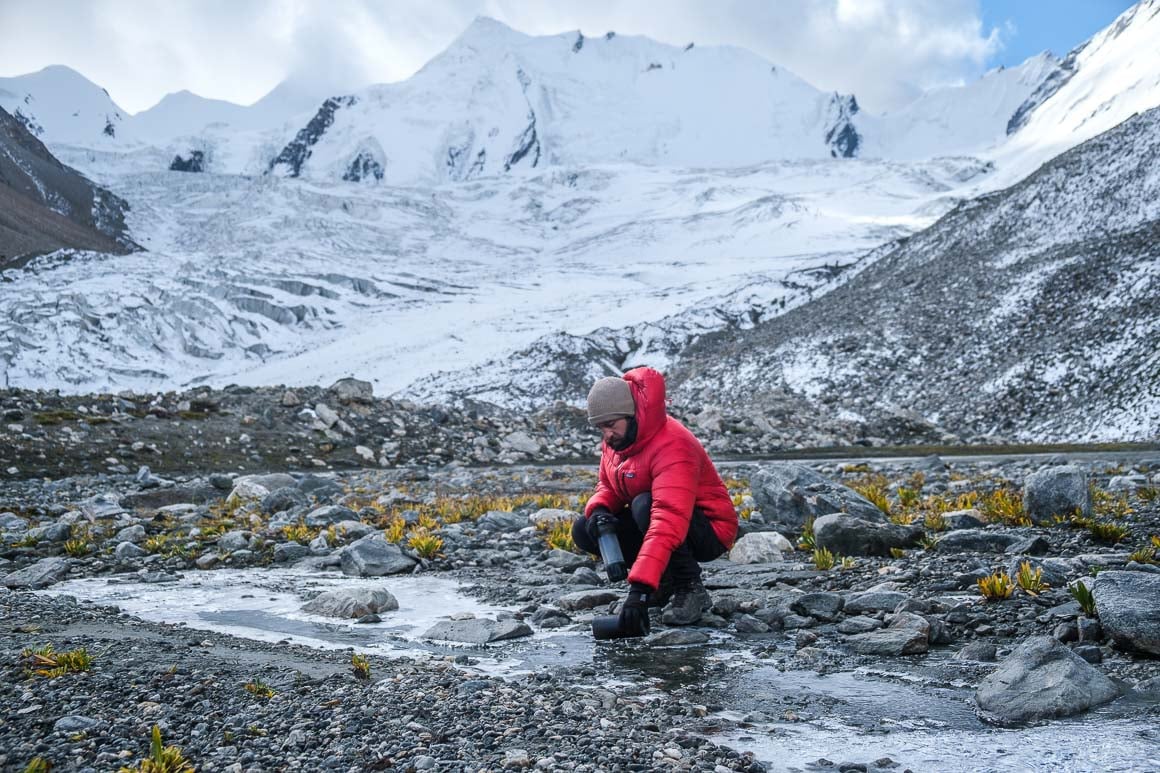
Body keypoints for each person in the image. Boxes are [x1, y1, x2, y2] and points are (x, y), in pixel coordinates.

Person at [572, 366, 739, 632]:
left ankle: (689, 588)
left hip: (708, 529)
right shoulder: (619, 440)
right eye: (600, 428)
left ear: (631, 415)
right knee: (586, 528)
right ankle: (664, 585)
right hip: (658, 517)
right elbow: (610, 484)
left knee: (644, 505)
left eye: (610, 425)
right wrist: (601, 510)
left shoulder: (673, 443)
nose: (606, 435)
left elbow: (667, 518)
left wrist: (638, 590)